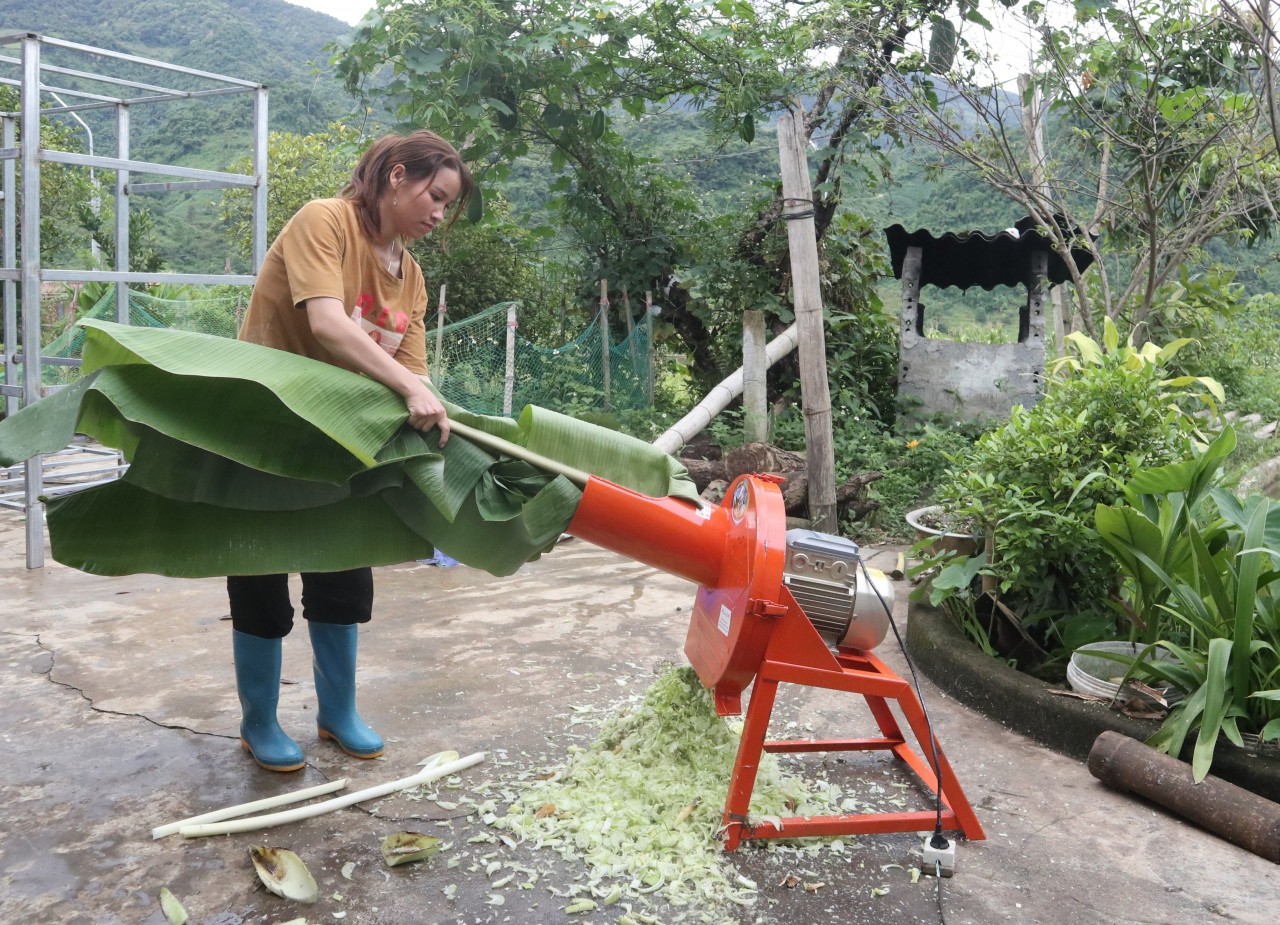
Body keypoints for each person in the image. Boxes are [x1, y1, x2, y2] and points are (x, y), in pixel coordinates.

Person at [228, 130, 473, 772]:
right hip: (267, 431)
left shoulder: (412, 276)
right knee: (261, 579)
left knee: (342, 575)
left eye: (447, 205)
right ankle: (259, 723)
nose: (438, 214)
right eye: (435, 195)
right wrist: (409, 387)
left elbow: (413, 373)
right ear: (397, 176)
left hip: (343, 444)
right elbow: (327, 323)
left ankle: (338, 714)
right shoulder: (325, 221)